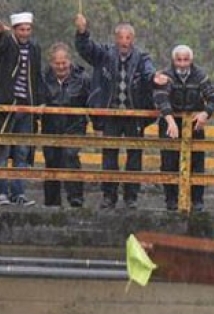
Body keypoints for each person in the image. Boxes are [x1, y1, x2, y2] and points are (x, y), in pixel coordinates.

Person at [75, 15, 156, 210]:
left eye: (128, 38)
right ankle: (109, 196)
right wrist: (82, 32)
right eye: (121, 38)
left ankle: (131, 197)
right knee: (109, 156)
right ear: (115, 39)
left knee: (134, 157)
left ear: (133, 40)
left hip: (134, 115)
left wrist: (156, 78)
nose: (124, 42)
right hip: (110, 114)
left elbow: (149, 72)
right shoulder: (104, 54)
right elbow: (85, 49)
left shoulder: (142, 57)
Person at [0, 12, 46, 207]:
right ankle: (1, 192)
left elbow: (36, 76)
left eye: (28, 29)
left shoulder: (35, 48)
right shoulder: (9, 44)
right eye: (21, 30)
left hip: (26, 107)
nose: (25, 33)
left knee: (22, 152)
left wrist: (40, 101)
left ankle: (19, 192)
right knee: (2, 150)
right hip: (7, 106)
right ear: (15, 30)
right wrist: (0, 33)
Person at [153, 45, 214, 212]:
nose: (182, 64)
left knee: (197, 164)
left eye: (186, 60)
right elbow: (161, 98)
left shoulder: (199, 75)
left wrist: (205, 113)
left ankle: (197, 202)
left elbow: (213, 97)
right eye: (179, 60)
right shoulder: (166, 75)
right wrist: (170, 120)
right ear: (173, 60)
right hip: (170, 124)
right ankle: (171, 201)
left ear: (191, 60)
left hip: (194, 124)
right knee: (169, 163)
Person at [40, 43, 91, 208]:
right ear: (51, 63)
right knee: (52, 160)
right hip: (51, 125)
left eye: (64, 63)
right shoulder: (43, 77)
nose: (61, 67)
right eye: (57, 63)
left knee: (70, 156)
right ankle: (51, 203)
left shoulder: (82, 79)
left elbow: (93, 101)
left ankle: (76, 198)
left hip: (74, 125)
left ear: (69, 61)